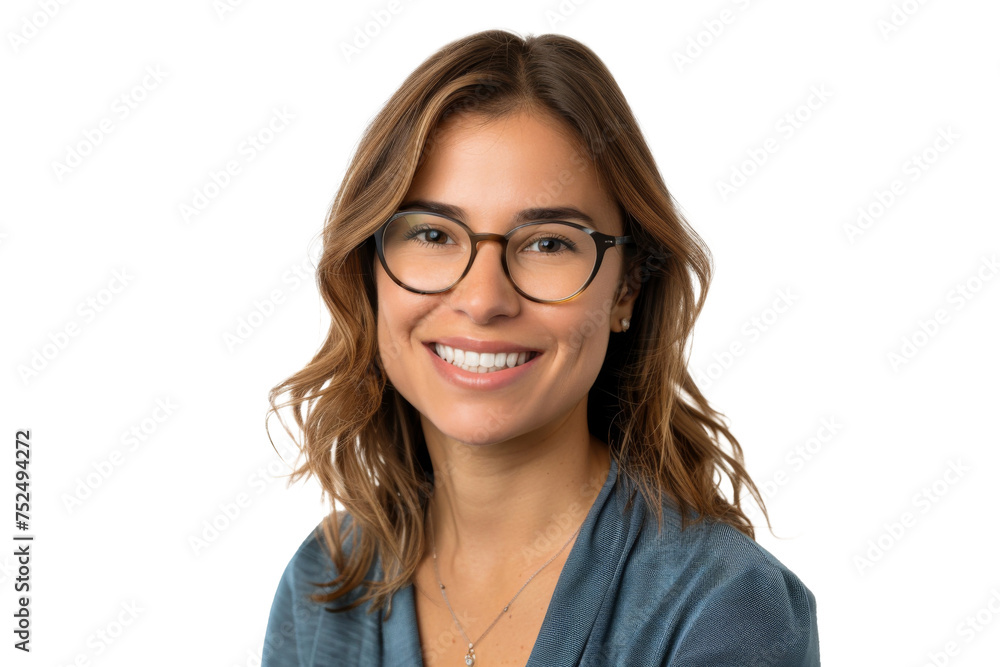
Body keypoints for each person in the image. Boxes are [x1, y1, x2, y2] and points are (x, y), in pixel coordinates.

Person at [261, 29, 820, 667]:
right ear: (370, 269)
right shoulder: (326, 584)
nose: (482, 299)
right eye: (434, 234)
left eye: (549, 242)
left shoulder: (719, 608)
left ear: (626, 290)